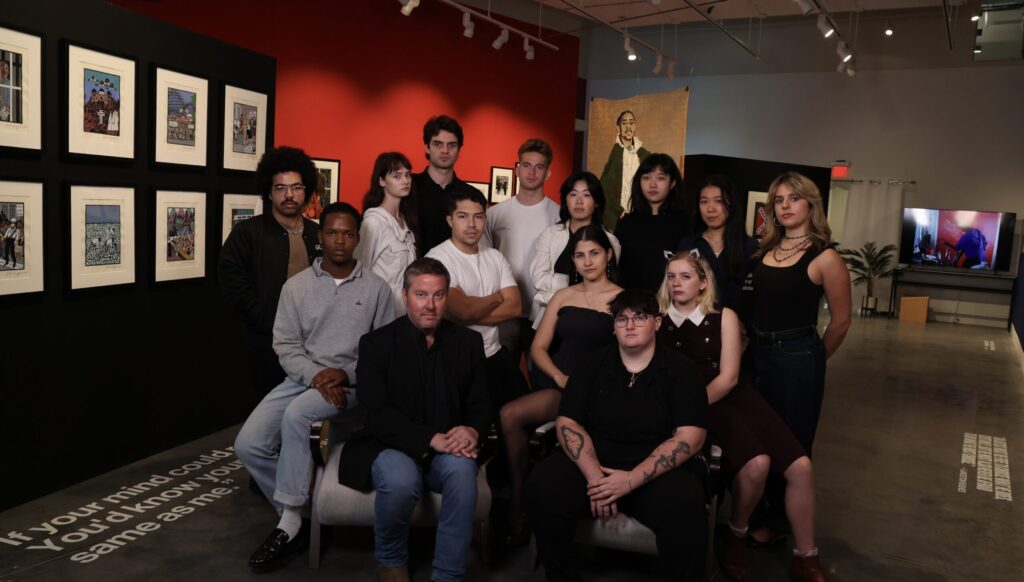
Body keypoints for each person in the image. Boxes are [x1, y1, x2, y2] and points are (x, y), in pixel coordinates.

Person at [234, 203, 395, 572]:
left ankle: (289, 524)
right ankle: (305, 510)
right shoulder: (297, 287)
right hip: (303, 379)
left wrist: (345, 374)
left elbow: (384, 353)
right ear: (320, 237)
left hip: (352, 385)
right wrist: (316, 377)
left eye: (348, 233)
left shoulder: (377, 289)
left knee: (298, 415)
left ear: (358, 237)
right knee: (248, 444)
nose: (340, 240)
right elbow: (286, 345)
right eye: (332, 232)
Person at [657, 251, 830, 582]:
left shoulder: (724, 317)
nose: (677, 283)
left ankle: (806, 557)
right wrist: (686, 410)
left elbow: (729, 378)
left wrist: (693, 404)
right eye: (671, 276)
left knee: (802, 467)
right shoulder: (657, 318)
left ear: (704, 283)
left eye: (686, 276)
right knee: (757, 464)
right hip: (701, 407)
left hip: (731, 394)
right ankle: (736, 536)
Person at [526, 289, 710, 582]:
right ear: (613, 327)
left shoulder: (682, 370)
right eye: (621, 319)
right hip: (596, 460)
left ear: (657, 323)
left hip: (653, 469)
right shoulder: (590, 364)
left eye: (640, 317)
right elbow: (568, 422)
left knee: (686, 503)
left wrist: (629, 480)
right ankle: (561, 576)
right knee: (543, 484)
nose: (630, 325)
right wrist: (596, 479)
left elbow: (691, 437)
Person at [338, 258, 491, 582]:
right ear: (405, 296)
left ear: (446, 297)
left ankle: (448, 575)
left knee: (463, 473)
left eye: (438, 295)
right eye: (421, 295)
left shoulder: (469, 343)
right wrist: (428, 439)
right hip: (388, 445)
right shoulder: (376, 344)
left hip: (447, 446)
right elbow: (374, 411)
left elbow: (482, 402)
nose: (430, 305)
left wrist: (472, 429)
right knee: (400, 480)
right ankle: (391, 562)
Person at [499, 225, 622, 548]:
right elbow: (538, 348)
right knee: (510, 414)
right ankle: (518, 501)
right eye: (579, 256)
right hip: (563, 386)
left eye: (594, 253)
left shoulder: (623, 299)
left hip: (601, 393)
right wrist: (558, 377)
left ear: (608, 255)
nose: (587, 261)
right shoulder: (563, 296)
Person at [750, 172, 851, 546]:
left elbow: (841, 323)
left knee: (790, 443)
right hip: (757, 354)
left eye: (794, 198)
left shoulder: (825, 257)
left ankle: (780, 522)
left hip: (796, 357)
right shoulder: (765, 251)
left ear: (811, 204)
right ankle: (755, 511)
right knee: (757, 437)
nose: (786, 206)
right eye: (779, 200)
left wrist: (812, 359)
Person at [219, 146, 321, 400]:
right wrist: (263, 316)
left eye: (296, 187)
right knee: (266, 406)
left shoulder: (317, 234)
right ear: (269, 191)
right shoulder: (248, 233)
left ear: (306, 190)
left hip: (312, 342)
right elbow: (231, 279)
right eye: (281, 188)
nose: (289, 195)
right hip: (263, 343)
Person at [426, 189, 527, 411]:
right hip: (454, 359)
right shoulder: (437, 259)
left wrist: (472, 307)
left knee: (521, 409)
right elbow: (462, 311)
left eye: (478, 216)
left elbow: (515, 306)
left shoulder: (494, 256)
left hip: (492, 352)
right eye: (463, 216)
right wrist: (497, 297)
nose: (472, 224)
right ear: (449, 220)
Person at [482, 139, 561, 364]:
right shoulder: (496, 214)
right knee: (500, 378)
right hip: (505, 311)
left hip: (542, 313)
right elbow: (486, 262)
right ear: (517, 169)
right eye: (526, 165)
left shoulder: (557, 215)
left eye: (539, 167)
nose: (532, 172)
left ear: (547, 173)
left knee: (540, 379)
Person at [530, 171, 621, 325]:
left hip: (595, 316)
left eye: (586, 195)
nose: (579, 201)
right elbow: (539, 280)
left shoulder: (610, 240)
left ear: (596, 201)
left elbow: (609, 280)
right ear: (566, 200)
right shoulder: (550, 235)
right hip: (549, 317)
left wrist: (559, 282)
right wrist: (582, 285)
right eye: (573, 195)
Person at [677, 174, 758, 323]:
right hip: (695, 328)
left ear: (731, 203)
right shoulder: (688, 245)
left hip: (738, 328)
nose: (710, 209)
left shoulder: (750, 246)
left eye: (718, 201)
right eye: (704, 201)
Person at [614, 153, 691, 294]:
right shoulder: (626, 224)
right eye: (646, 178)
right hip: (633, 304)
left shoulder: (686, 223)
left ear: (672, 183)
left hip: (674, 302)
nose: (652, 184)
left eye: (661, 178)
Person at [356, 152, 420, 315]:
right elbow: (358, 271)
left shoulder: (406, 223)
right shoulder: (373, 222)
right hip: (379, 313)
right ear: (382, 181)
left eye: (407, 175)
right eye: (397, 176)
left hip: (405, 313)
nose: (405, 181)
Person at [413, 115, 479, 252]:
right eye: (438, 144)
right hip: (414, 270)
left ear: (459, 149)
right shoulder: (408, 188)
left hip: (457, 272)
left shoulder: (471, 194)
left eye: (452, 145)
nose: (445, 150)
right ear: (427, 147)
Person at [600, 110, 651, 231]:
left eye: (631, 123)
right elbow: (605, 187)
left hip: (640, 215)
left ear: (635, 127)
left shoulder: (643, 155)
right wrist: (618, 211)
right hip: (620, 216)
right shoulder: (616, 153)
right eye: (624, 123)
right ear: (619, 127)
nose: (628, 126)